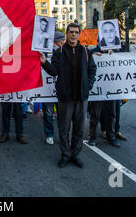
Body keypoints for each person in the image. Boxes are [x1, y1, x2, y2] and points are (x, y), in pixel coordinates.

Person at [40, 22, 97, 168]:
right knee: (64, 128)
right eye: (71, 32)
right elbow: (54, 71)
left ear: (79, 34)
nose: (73, 35)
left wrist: (88, 85)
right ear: (67, 34)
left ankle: (75, 155)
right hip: (65, 98)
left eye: (76, 32)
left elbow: (92, 70)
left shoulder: (85, 52)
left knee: (79, 129)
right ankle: (65, 155)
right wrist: (44, 62)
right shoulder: (59, 52)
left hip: (81, 97)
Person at [87, 46, 120, 147]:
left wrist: (114, 56)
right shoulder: (92, 51)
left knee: (112, 113)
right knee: (95, 114)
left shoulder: (116, 50)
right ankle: (92, 136)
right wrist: (93, 56)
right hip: (98, 90)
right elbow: (86, 62)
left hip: (111, 88)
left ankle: (111, 136)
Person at [42, 31, 65, 146]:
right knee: (48, 113)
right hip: (47, 89)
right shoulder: (45, 51)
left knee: (62, 114)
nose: (63, 42)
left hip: (60, 88)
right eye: (62, 41)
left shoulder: (65, 51)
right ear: (57, 41)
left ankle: (62, 135)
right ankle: (49, 134)